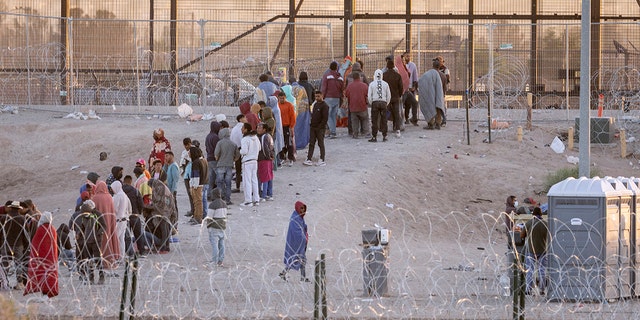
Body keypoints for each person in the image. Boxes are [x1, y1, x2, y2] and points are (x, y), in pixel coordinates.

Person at [23, 211, 59, 298]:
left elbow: (35, 244)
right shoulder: (53, 229)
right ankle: (47, 294)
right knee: (49, 275)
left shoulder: (41, 229)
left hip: (41, 258)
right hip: (51, 259)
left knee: (41, 275)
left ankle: (44, 293)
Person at [72, 200, 106, 285]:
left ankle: (101, 276)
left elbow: (104, 226)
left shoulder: (97, 214)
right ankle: (91, 277)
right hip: (87, 241)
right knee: (89, 260)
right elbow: (82, 227)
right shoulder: (83, 217)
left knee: (97, 259)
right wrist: (79, 234)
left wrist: (98, 234)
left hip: (96, 241)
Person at [279, 201, 309, 282]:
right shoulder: (295, 218)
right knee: (295, 259)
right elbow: (297, 231)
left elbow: (302, 227)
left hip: (299, 243)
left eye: (303, 208)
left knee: (301, 259)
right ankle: (284, 273)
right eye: (301, 208)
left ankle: (302, 277)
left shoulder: (299, 217)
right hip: (295, 243)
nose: (303, 210)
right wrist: (303, 238)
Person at [2, 201, 30, 289]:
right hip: (19, 244)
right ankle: (19, 283)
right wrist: (26, 245)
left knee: (4, 264)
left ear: (10, 208)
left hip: (5, 244)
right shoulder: (22, 219)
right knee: (19, 264)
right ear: (18, 209)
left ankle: (3, 282)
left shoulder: (3, 218)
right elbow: (26, 234)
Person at [93, 181, 120, 272]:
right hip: (110, 221)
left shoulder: (95, 198)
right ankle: (111, 260)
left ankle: (102, 262)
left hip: (99, 224)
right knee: (110, 239)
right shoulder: (109, 197)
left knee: (102, 242)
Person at [521, 207, 548, 295]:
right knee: (542, 270)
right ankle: (542, 289)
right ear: (541, 214)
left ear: (533, 214)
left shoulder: (529, 223)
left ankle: (528, 290)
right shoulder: (545, 224)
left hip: (530, 250)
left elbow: (522, 235)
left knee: (530, 270)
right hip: (542, 249)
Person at [147, 179, 177, 253]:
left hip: (164, 210)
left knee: (164, 227)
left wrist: (149, 206)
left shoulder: (159, 188)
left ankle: (163, 246)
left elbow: (158, 201)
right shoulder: (161, 186)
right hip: (167, 209)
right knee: (166, 227)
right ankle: (166, 245)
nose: (152, 188)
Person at [215, 127, 241, 205]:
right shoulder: (233, 144)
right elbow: (237, 155)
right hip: (229, 165)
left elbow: (216, 155)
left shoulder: (219, 143)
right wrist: (233, 160)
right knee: (228, 183)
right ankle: (228, 200)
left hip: (221, 165)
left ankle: (219, 199)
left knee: (219, 182)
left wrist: (219, 160)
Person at [303, 90, 329, 166]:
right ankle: (309, 158)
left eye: (318, 96)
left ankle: (322, 158)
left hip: (320, 128)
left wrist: (320, 127)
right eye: (316, 96)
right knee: (311, 143)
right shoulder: (315, 105)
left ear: (322, 96)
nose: (317, 98)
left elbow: (325, 119)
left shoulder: (325, 106)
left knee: (320, 143)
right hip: (313, 127)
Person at [418, 59, 445, 130]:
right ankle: (438, 124)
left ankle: (431, 124)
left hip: (429, 95)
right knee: (438, 107)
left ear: (432, 65)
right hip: (438, 95)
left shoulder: (427, 74)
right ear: (439, 67)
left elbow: (421, 81)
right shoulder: (442, 75)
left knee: (430, 107)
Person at [239, 123, 261, 207]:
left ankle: (248, 200)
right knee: (254, 180)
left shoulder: (245, 139)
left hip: (247, 162)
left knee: (247, 181)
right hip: (255, 161)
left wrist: (239, 151)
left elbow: (244, 151)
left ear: (246, 129)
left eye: (242, 128)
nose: (241, 129)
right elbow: (259, 148)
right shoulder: (255, 138)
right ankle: (256, 199)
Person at [321, 61, 344, 139]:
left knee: (327, 115)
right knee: (333, 116)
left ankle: (332, 132)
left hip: (328, 98)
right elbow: (342, 89)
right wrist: (341, 99)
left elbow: (324, 87)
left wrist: (322, 97)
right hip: (337, 98)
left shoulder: (327, 76)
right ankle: (333, 132)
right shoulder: (340, 77)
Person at [368, 69, 391, 142]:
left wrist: (371, 103)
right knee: (384, 120)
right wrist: (386, 103)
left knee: (374, 120)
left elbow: (369, 96)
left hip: (375, 102)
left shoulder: (372, 84)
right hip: (383, 102)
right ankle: (385, 136)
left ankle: (374, 137)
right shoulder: (385, 84)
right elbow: (389, 95)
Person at [344, 72, 370, 139]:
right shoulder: (364, 85)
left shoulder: (349, 86)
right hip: (363, 106)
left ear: (353, 78)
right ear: (359, 77)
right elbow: (368, 95)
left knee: (354, 121)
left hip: (353, 107)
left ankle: (355, 134)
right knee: (365, 119)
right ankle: (366, 132)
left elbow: (346, 95)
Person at [206, 188, 228, 267]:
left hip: (214, 226)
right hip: (222, 226)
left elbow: (209, 217)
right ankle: (220, 261)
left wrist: (208, 226)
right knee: (221, 244)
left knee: (214, 244)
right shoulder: (224, 204)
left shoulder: (212, 205)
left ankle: (214, 261)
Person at [383, 59, 404, 138]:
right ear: (394, 66)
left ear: (387, 67)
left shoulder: (384, 75)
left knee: (386, 113)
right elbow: (401, 87)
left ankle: (385, 129)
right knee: (396, 113)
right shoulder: (398, 75)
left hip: (387, 97)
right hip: (395, 97)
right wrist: (400, 95)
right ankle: (397, 129)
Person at [111, 181, 131, 260]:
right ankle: (122, 256)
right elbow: (130, 208)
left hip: (118, 220)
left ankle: (117, 256)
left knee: (117, 239)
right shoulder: (125, 195)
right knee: (122, 239)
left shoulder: (118, 196)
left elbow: (114, 208)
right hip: (125, 220)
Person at [189, 145, 208, 224]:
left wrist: (194, 186)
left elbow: (196, 175)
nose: (189, 154)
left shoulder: (196, 162)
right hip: (205, 183)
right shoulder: (204, 160)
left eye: (190, 153)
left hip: (198, 185)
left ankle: (198, 217)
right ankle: (201, 216)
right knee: (202, 201)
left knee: (197, 202)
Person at [277, 91, 297, 166]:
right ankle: (282, 158)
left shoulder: (289, 105)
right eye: (280, 98)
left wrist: (291, 127)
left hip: (287, 126)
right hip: (280, 127)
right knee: (281, 143)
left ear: (285, 98)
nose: (282, 99)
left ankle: (291, 158)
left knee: (289, 143)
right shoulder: (277, 105)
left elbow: (293, 117)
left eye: (283, 98)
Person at [257, 122, 275, 200]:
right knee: (269, 176)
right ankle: (269, 193)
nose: (258, 129)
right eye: (257, 127)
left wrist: (267, 157)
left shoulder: (264, 137)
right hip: (269, 159)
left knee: (264, 177)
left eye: (260, 128)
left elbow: (265, 149)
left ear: (264, 129)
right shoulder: (269, 136)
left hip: (264, 159)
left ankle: (264, 195)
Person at [205, 121, 222, 200]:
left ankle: (209, 194)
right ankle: (219, 194)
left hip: (209, 158)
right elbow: (217, 149)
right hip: (215, 159)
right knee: (219, 178)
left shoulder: (208, 136)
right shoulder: (215, 137)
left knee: (211, 179)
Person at [402, 51, 420, 126]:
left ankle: (414, 119)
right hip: (403, 90)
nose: (408, 58)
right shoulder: (401, 66)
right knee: (404, 104)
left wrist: (414, 87)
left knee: (413, 103)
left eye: (409, 56)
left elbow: (415, 78)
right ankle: (405, 118)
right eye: (406, 56)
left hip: (410, 89)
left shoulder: (413, 65)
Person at [230, 115, 246, 194]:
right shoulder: (241, 128)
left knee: (238, 170)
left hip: (235, 149)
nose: (246, 119)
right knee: (245, 169)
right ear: (241, 119)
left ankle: (237, 186)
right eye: (244, 118)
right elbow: (242, 140)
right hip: (241, 149)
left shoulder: (234, 129)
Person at [180, 138, 195, 216]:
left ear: (190, 143)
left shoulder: (195, 150)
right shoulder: (183, 153)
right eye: (185, 145)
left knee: (195, 193)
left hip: (194, 175)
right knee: (189, 193)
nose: (186, 147)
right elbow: (181, 163)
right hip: (186, 175)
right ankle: (192, 210)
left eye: (188, 145)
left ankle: (196, 210)